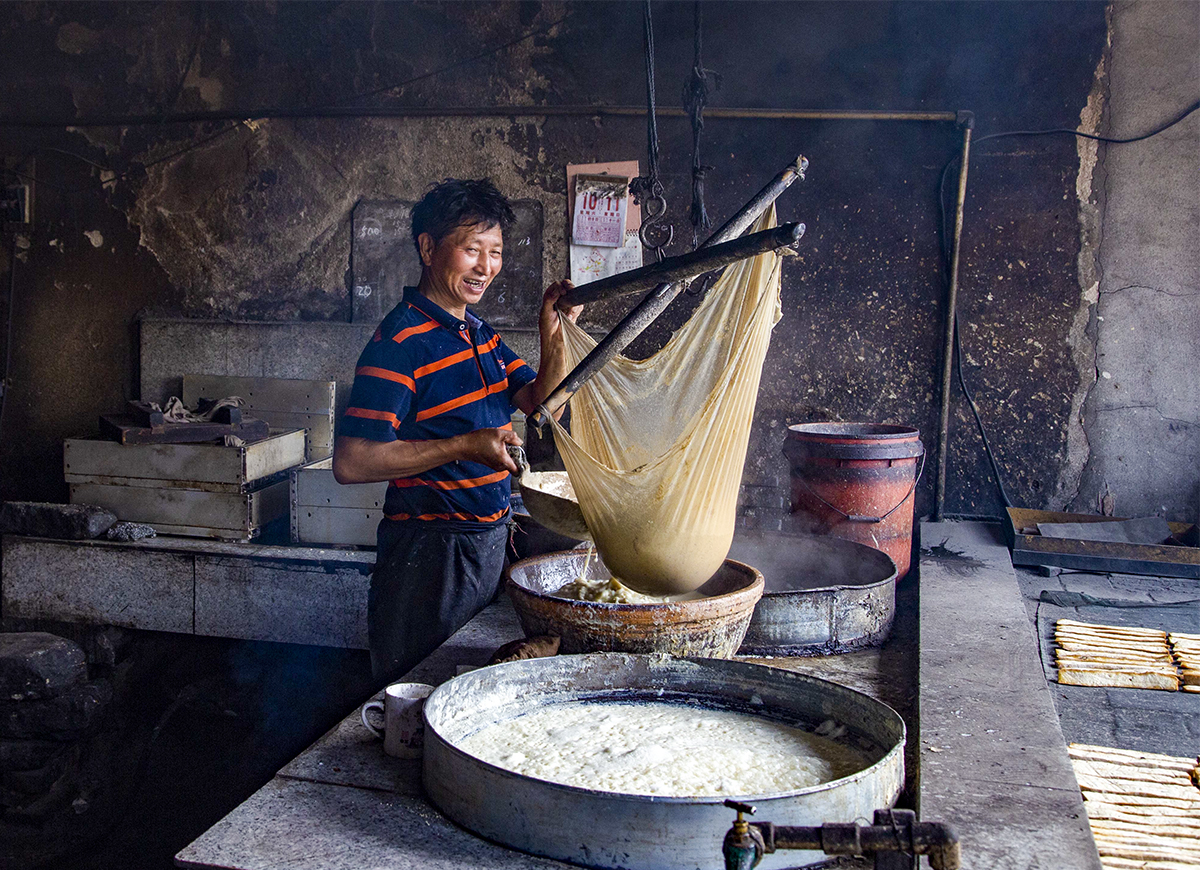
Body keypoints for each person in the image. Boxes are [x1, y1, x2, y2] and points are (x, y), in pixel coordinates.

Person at [332, 178, 581, 685]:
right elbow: (352, 461)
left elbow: (542, 403)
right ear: (428, 248)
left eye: (495, 253)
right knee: (419, 698)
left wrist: (553, 334)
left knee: (465, 691)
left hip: (485, 542)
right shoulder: (400, 342)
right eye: (472, 250)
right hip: (429, 556)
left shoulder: (477, 332)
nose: (485, 267)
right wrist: (466, 446)